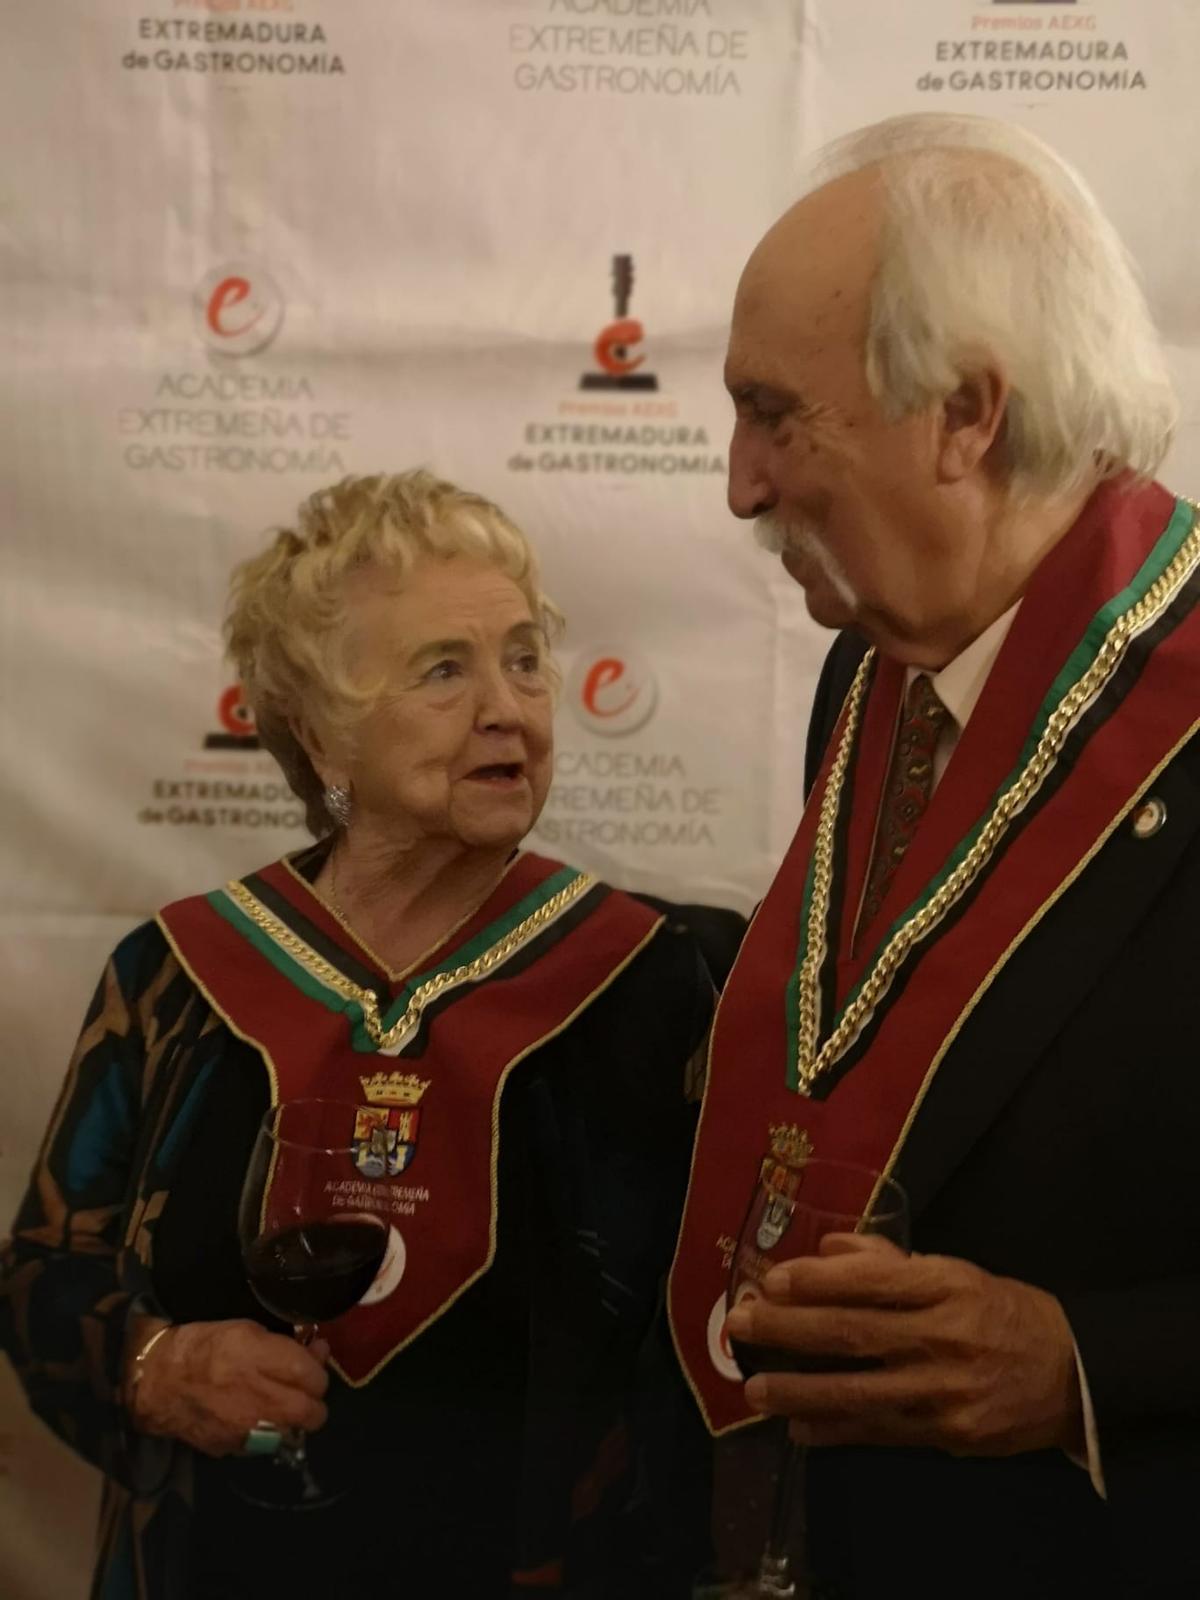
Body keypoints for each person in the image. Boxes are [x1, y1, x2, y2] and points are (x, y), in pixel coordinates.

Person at [1, 471, 739, 1599]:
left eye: (524, 659)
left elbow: (717, 1339)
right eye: (444, 670)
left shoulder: (656, 979)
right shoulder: (175, 977)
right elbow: (43, 1275)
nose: (508, 707)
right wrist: (154, 1364)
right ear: (320, 734)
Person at [668, 113, 1200, 1597]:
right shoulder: (873, 669)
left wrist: (1084, 1363)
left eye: (776, 415)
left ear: (967, 414)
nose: (740, 484)